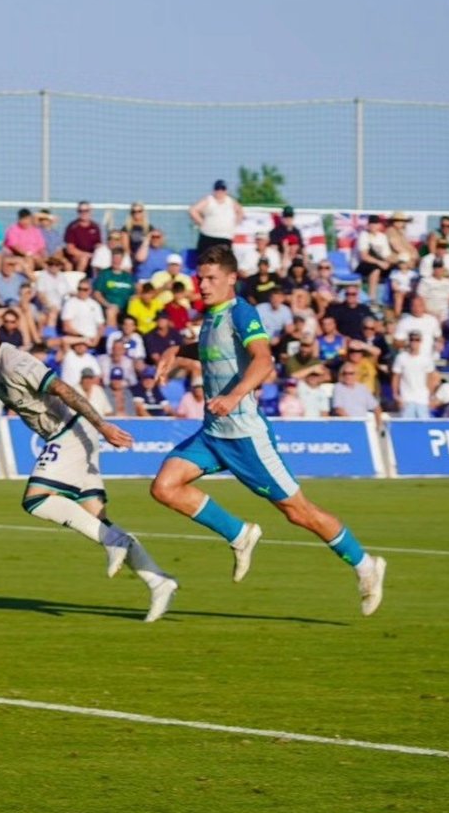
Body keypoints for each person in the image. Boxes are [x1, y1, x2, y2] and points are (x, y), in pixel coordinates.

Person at [151, 243, 386, 616]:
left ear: (232, 278)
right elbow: (212, 349)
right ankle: (239, 534)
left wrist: (234, 395)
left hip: (245, 437)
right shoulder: (211, 316)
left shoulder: (242, 312)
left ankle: (365, 564)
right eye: (200, 279)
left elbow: (264, 360)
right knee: (164, 487)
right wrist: (176, 350)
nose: (203, 285)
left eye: (211, 279)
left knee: (298, 512)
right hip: (213, 434)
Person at [0, 307, 178, 621]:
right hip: (74, 434)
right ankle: (158, 580)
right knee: (96, 518)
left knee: (36, 500)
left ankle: (115, 542)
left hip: (69, 432)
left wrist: (103, 425)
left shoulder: (15, 361)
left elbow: (62, 388)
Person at [189, 180, 242, 254]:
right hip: (208, 236)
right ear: (214, 190)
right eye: (217, 189)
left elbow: (240, 211)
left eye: (222, 189)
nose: (220, 191)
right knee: (205, 259)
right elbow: (193, 210)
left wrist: (234, 224)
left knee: (223, 260)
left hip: (225, 238)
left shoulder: (231, 201)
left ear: (226, 191)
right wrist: (202, 223)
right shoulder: (209, 200)